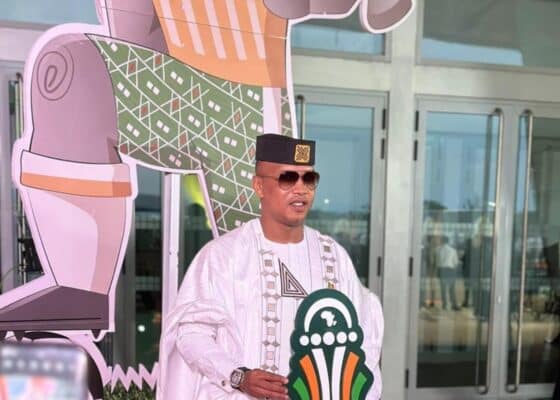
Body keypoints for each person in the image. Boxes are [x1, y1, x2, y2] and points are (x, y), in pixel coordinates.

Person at [157, 134, 384, 399]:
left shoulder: (334, 256)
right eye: (288, 178)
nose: (301, 189)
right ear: (259, 186)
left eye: (309, 179)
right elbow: (191, 333)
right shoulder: (224, 256)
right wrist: (239, 377)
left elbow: (363, 334)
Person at [435, 235, 460, 311]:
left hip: (442, 270)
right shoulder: (453, 250)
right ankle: (453, 305)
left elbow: (437, 262)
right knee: (451, 289)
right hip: (451, 270)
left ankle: (444, 305)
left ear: (441, 241)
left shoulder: (437, 249)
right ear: (448, 241)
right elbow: (456, 262)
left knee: (443, 289)